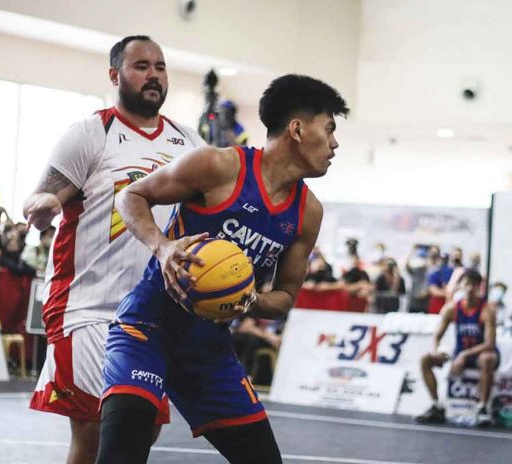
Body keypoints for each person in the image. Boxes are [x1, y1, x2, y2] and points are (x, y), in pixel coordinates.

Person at [98, 74, 348, 463]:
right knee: (123, 448)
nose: (334, 144)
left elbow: (283, 298)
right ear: (297, 129)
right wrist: (163, 249)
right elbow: (131, 196)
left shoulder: (308, 212)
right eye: (329, 129)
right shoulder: (217, 165)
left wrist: (245, 300)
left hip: (208, 350)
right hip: (147, 328)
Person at [23, 35, 205, 464]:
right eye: (141, 66)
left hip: (152, 311)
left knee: (140, 435)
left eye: (160, 67)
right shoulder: (91, 133)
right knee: (94, 433)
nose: (153, 75)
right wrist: (46, 204)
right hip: (86, 305)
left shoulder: (190, 142)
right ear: (115, 75)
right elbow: (42, 196)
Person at [416, 270, 498, 427]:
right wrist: (437, 349)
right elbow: (437, 335)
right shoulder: (452, 308)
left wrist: (464, 355)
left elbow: (490, 343)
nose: (470, 288)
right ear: (460, 286)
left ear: (479, 287)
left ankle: (482, 408)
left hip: (481, 353)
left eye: (474, 285)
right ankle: (436, 405)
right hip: (460, 353)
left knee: (486, 359)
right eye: (467, 284)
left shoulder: (487, 310)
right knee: (425, 359)